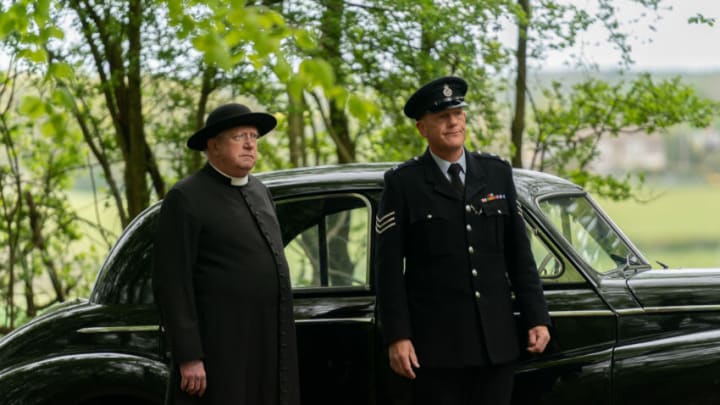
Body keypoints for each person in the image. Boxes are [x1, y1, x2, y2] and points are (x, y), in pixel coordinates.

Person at [375, 76, 551, 405]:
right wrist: (398, 336)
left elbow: (519, 255)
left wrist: (536, 317)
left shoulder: (496, 172)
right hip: (436, 348)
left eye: (458, 113)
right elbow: (388, 271)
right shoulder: (403, 183)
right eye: (442, 116)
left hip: (495, 344)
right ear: (422, 128)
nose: (453, 121)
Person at [152, 103, 300, 405]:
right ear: (213, 145)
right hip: (221, 349)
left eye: (254, 137)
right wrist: (189, 355)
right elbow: (172, 283)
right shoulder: (186, 197)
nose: (249, 144)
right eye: (239, 137)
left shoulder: (260, 190)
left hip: (268, 343)